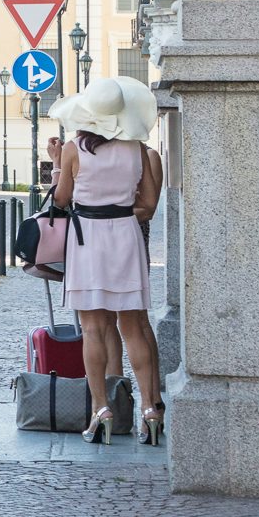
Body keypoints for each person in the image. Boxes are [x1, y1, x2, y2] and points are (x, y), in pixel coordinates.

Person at [46, 76, 165, 446]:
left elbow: (61, 199)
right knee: (133, 329)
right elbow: (148, 204)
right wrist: (120, 210)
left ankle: (101, 410)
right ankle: (150, 409)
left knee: (94, 328)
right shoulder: (137, 150)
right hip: (126, 236)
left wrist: (57, 167)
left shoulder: (73, 149)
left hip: (88, 240)